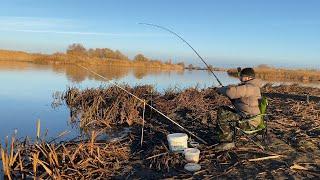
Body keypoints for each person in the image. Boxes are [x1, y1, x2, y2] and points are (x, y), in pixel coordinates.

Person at [215, 67, 264, 150]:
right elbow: (241, 99)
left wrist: (219, 89)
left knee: (222, 113)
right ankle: (229, 135)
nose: (240, 78)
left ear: (248, 77)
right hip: (249, 117)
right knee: (224, 109)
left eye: (242, 76)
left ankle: (227, 142)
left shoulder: (250, 87)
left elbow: (231, 92)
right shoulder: (253, 86)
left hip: (249, 122)